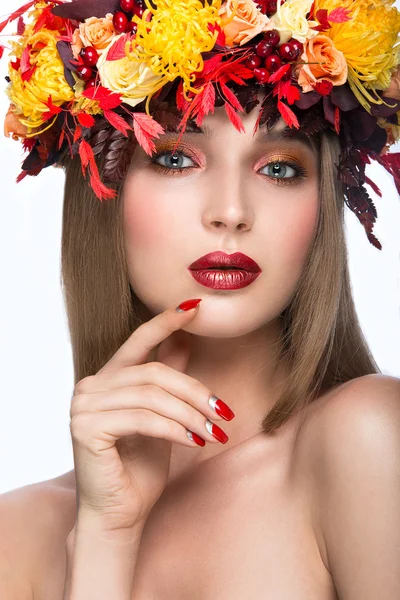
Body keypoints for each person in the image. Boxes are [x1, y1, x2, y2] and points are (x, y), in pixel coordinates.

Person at [0, 0, 399, 598]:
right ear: (100, 187)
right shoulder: (19, 534)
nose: (232, 213)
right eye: (176, 157)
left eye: (282, 169)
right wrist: (107, 538)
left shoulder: (367, 439)